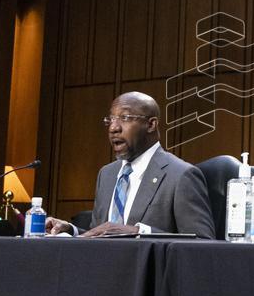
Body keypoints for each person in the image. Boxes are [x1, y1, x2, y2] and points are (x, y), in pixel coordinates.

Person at [45, 92, 215, 238]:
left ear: (151, 124)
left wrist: (138, 232)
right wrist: (71, 230)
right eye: (110, 119)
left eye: (125, 118)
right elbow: (102, 236)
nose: (113, 128)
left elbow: (202, 243)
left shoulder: (180, 175)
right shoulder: (107, 174)